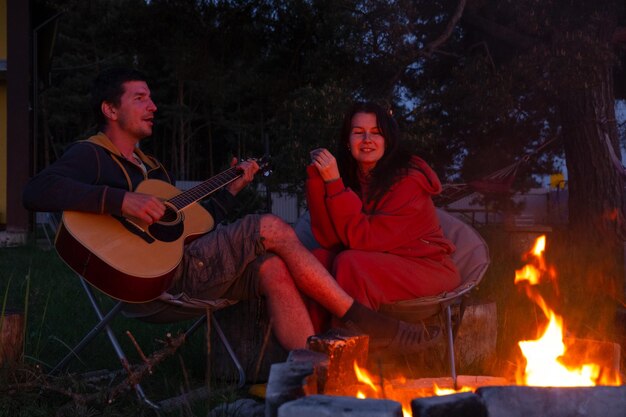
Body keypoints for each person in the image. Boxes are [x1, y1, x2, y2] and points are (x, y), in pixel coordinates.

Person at [22, 68, 440, 353]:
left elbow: (188, 232)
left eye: (152, 98)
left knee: (274, 269)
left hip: (188, 268)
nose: (153, 106)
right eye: (140, 98)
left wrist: (231, 190)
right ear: (110, 111)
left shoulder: (151, 169)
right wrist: (121, 200)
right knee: (270, 226)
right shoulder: (94, 156)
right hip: (151, 283)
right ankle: (365, 321)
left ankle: (312, 377)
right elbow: (36, 190)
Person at [306, 101, 461, 332]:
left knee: (350, 264)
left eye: (376, 133)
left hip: (427, 267)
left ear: (387, 140)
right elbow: (330, 240)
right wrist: (319, 180)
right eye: (358, 132)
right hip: (383, 261)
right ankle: (311, 345)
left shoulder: (408, 181)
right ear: (348, 142)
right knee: (319, 260)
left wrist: (334, 184)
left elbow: (364, 239)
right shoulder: (354, 177)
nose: (367, 139)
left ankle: (348, 350)